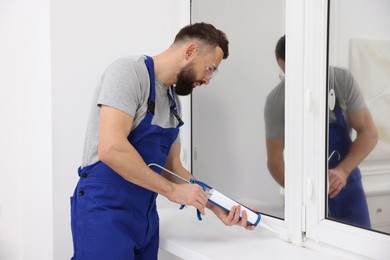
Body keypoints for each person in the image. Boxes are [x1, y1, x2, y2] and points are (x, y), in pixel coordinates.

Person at [71, 22, 255, 260]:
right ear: (189, 52)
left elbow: (174, 169)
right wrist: (172, 192)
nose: (208, 79)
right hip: (105, 211)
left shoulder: (172, 103)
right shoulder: (129, 72)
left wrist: (217, 205)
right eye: (210, 68)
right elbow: (111, 148)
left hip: (145, 217)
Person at [264, 35, 378, 228]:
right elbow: (275, 161)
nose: (295, 82)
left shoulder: (341, 81)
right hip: (306, 194)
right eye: (287, 75)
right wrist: (301, 192)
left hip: (348, 185)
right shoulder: (277, 101)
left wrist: (342, 171)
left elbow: (369, 134)